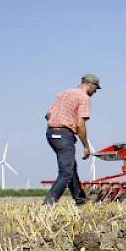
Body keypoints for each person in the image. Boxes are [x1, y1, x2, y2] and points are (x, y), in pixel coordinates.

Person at [43, 74, 100, 205]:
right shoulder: (84, 98)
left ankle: (80, 199)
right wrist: (86, 146)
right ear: (91, 84)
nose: (95, 92)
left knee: (70, 168)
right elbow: (80, 124)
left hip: (51, 133)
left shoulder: (63, 93)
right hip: (63, 134)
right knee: (66, 172)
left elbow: (48, 115)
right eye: (96, 89)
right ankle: (48, 204)